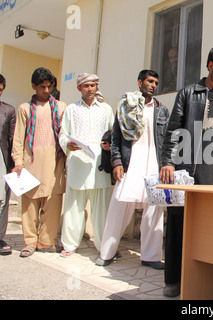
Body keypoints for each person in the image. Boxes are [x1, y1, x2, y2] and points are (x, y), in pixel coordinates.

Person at [159, 45, 213, 297]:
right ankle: (174, 279)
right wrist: (168, 161)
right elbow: (173, 129)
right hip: (187, 171)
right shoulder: (188, 94)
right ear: (210, 66)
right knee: (178, 226)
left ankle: (209, 278)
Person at [96, 70, 169, 269]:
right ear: (139, 82)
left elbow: (167, 141)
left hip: (154, 163)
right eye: (149, 81)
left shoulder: (162, 110)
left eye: (156, 82)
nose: (153, 85)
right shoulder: (125, 105)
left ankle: (151, 257)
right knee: (119, 206)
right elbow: (116, 137)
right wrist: (117, 162)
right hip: (131, 162)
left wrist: (166, 165)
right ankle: (107, 252)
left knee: (154, 210)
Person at [12, 67, 67, 257]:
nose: (46, 91)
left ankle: (46, 242)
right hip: (31, 161)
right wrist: (18, 161)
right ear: (33, 86)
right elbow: (18, 138)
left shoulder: (61, 107)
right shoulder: (24, 108)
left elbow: (66, 136)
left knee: (53, 204)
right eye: (42, 87)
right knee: (29, 205)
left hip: (55, 162)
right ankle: (30, 242)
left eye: (49, 87)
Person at [59, 73, 114, 257]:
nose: (90, 89)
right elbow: (63, 134)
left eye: (93, 85)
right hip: (77, 162)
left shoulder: (106, 109)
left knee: (102, 210)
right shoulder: (71, 110)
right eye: (86, 86)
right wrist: (67, 144)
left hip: (99, 164)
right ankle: (69, 245)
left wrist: (109, 143)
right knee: (73, 207)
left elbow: (112, 132)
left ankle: (104, 246)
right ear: (79, 88)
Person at [0, 74, 16, 256]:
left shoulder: (8, 110)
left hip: (2, 160)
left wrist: (14, 164)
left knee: (2, 199)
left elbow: (12, 139)